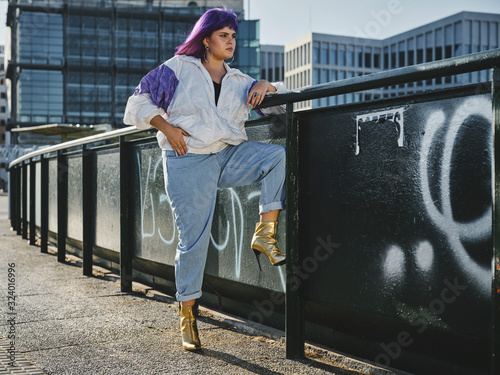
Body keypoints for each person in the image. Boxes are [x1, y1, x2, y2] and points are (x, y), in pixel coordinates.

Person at [123, 8, 286, 351]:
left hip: (226, 156)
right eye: (224, 35)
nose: (231, 42)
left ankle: (265, 233)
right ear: (206, 38)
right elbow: (138, 101)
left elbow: (279, 107)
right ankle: (187, 314)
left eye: (234, 36)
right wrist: (165, 126)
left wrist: (266, 85)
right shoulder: (178, 69)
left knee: (276, 157)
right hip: (187, 160)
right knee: (193, 241)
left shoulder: (239, 80)